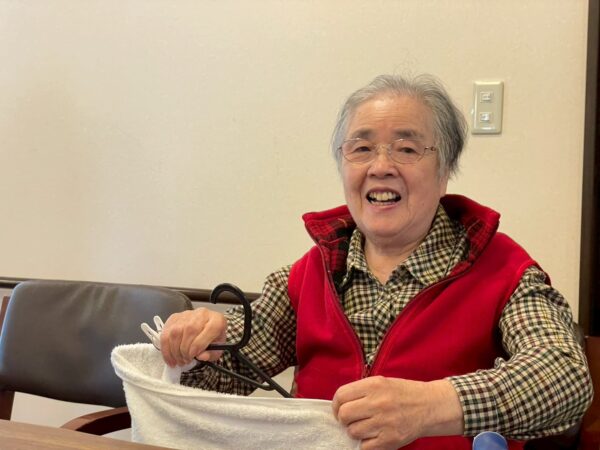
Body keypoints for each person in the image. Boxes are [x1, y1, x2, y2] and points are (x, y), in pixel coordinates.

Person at [159, 74, 593, 450]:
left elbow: (565, 378)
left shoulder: (505, 271)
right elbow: (216, 384)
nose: (381, 166)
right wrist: (195, 348)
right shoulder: (307, 275)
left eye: (407, 149)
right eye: (362, 148)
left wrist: (432, 406)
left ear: (445, 171)